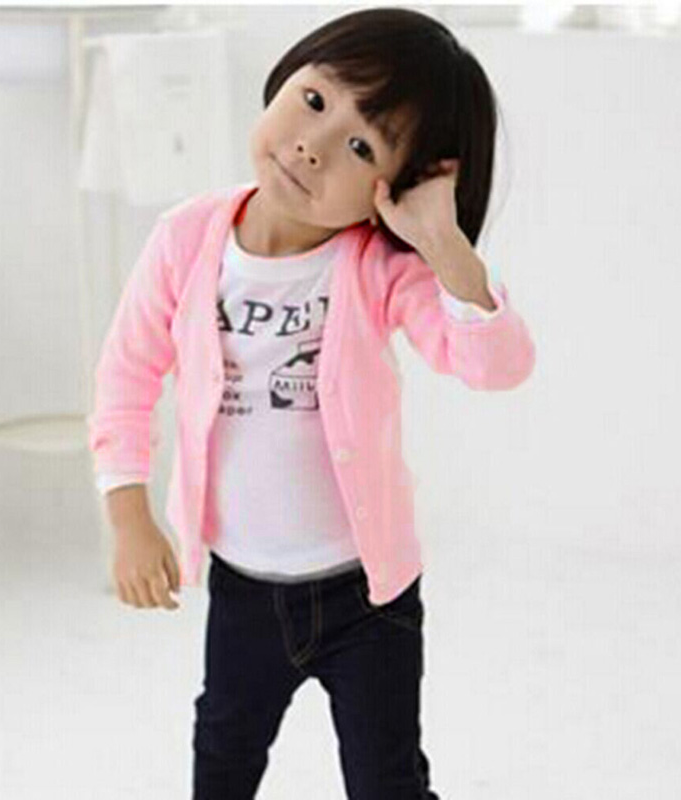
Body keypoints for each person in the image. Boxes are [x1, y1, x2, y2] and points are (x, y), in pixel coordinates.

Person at [86, 7, 536, 799]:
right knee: (223, 754)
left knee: (387, 778)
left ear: (396, 187)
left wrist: (444, 245)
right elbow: (126, 377)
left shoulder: (382, 270)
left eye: (362, 148)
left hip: (369, 596)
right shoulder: (186, 239)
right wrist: (128, 517)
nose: (312, 146)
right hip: (244, 586)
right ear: (287, 74)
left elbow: (497, 367)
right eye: (316, 100)